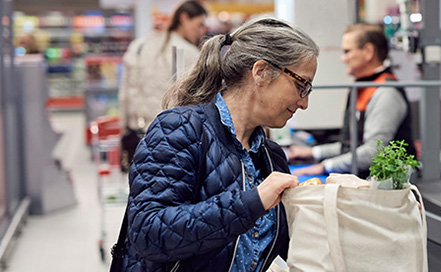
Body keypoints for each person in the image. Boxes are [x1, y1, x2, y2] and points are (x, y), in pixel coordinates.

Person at [120, 17, 319, 271]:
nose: (304, 103)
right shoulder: (179, 129)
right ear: (260, 72)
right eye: (301, 85)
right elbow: (149, 232)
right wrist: (252, 202)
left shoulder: (270, 156)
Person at [288, 23, 414, 178]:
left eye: (347, 51)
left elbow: (373, 152)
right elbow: (351, 146)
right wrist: (313, 152)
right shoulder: (362, 88)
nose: (342, 59)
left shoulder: (386, 93)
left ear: (368, 52)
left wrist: (325, 167)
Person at [118, 0, 207, 171]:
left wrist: (123, 129)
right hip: (169, 137)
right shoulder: (188, 53)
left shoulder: (139, 46)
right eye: (199, 24)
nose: (201, 30)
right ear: (184, 18)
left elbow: (124, 93)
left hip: (136, 132)